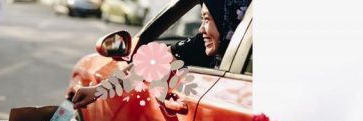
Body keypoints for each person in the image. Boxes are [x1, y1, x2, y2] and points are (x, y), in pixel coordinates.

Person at [71, 0, 250, 109]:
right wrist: (97, 90)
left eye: (207, 19)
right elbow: (151, 61)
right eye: (201, 19)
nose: (201, 29)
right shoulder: (202, 47)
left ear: (228, 18)